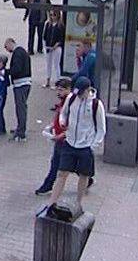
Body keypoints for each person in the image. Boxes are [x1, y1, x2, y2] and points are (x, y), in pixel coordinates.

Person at [45, 77, 106, 212]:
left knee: (84, 176)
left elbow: (101, 129)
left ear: (88, 90)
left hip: (85, 146)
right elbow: (64, 113)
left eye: (81, 93)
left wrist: (93, 145)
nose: (78, 96)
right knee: (62, 173)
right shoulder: (72, 98)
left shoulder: (96, 105)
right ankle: (51, 204)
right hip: (70, 142)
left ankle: (78, 204)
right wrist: (63, 122)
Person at [35, 77, 72, 195]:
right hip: (60, 137)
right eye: (58, 90)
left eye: (61, 90)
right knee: (66, 162)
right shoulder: (63, 102)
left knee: (56, 163)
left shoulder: (70, 104)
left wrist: (61, 134)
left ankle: (47, 185)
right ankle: (87, 178)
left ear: (68, 89)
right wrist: (52, 126)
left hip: (64, 139)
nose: (58, 92)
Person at [5, 37, 31, 142]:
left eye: (6, 47)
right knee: (21, 107)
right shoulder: (21, 52)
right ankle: (20, 128)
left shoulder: (18, 53)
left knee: (21, 108)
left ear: (11, 43)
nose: (7, 50)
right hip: (24, 83)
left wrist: (5, 72)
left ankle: (21, 133)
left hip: (21, 84)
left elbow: (16, 69)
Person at [43, 10, 65, 88]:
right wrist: (46, 46)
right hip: (49, 47)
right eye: (51, 15)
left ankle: (58, 82)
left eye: (54, 15)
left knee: (56, 65)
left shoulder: (60, 26)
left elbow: (61, 39)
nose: (52, 17)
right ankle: (48, 81)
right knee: (48, 64)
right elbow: (45, 36)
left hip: (57, 48)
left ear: (58, 16)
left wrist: (55, 46)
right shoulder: (48, 24)